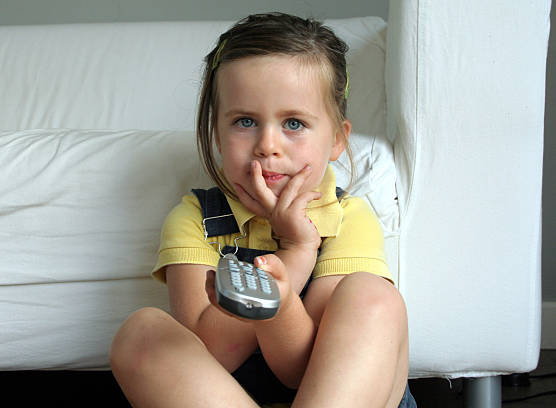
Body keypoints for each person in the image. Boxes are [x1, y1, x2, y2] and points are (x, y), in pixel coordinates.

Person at [110, 12, 415, 408]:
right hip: (228, 394)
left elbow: (302, 370)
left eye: (293, 123)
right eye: (245, 121)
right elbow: (212, 355)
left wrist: (297, 259)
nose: (267, 145)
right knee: (142, 332)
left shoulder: (347, 219)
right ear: (216, 133)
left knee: (374, 297)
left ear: (337, 140)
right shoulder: (195, 220)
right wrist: (292, 255)